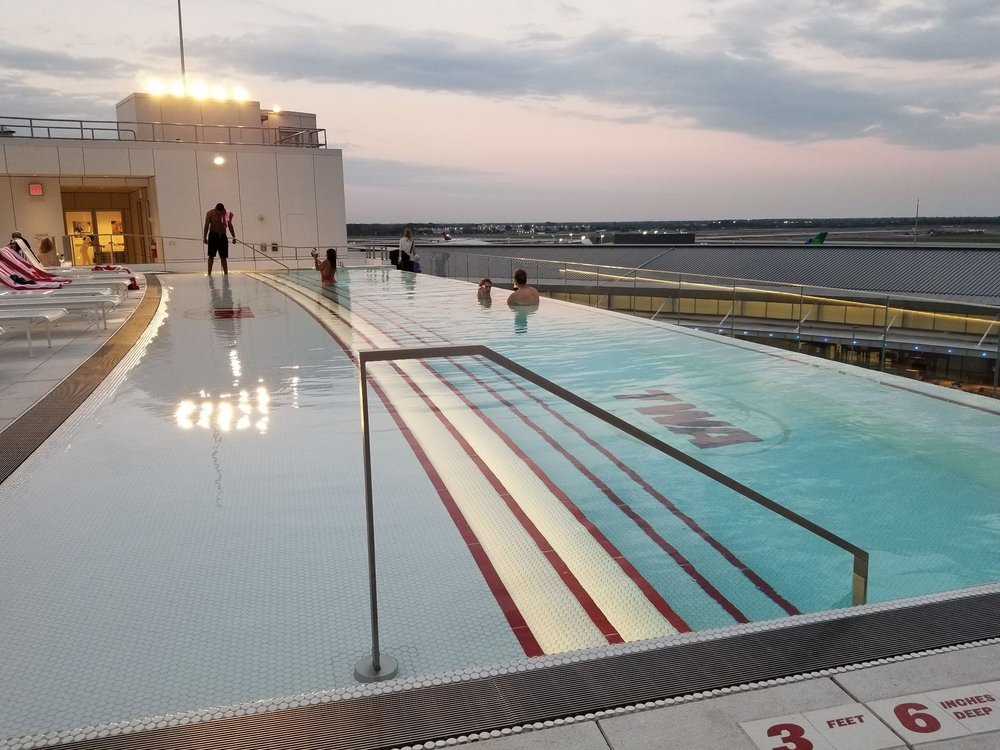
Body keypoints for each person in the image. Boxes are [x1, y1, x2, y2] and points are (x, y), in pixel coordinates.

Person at [203, 202, 236, 275]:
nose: (220, 213)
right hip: (213, 236)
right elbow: (206, 226)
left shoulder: (225, 213)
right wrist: (204, 237)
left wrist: (234, 237)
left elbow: (230, 226)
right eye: (219, 211)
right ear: (216, 209)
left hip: (223, 236)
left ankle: (226, 273)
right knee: (211, 256)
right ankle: (209, 273)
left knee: (223, 256)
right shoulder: (210, 213)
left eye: (222, 211)